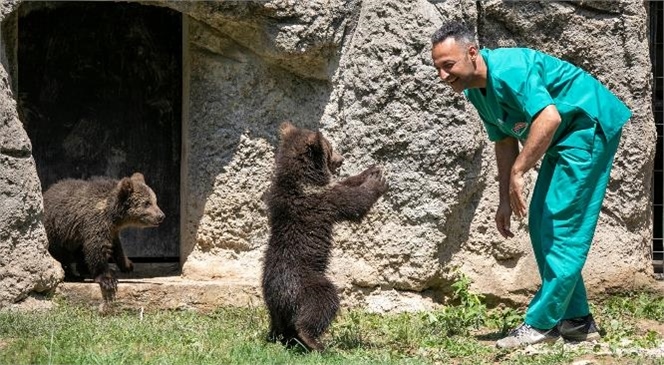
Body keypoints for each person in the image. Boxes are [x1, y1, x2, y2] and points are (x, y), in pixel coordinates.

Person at [430, 21, 632, 349]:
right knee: (541, 224)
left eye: (448, 65)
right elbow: (504, 139)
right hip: (561, 138)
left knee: (561, 226)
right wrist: (504, 200)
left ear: (471, 53)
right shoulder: (475, 90)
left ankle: (542, 324)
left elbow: (549, 117)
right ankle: (577, 320)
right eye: (437, 68)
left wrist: (519, 172)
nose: (442, 76)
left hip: (586, 126)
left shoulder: (509, 70)